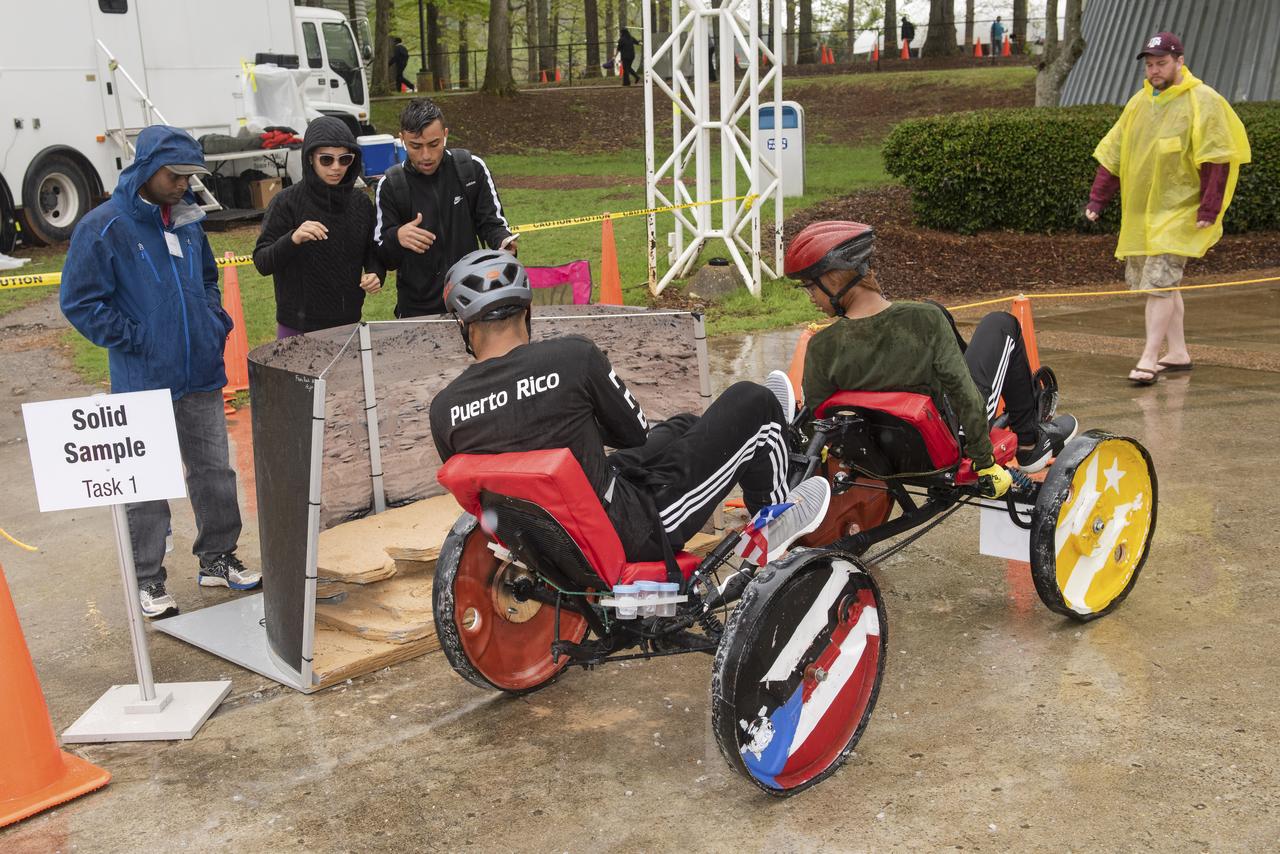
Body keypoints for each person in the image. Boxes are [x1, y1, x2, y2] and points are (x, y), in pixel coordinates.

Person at [430, 249, 831, 566]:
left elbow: (481, 495)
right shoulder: (572, 358)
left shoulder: (444, 408)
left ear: (465, 326)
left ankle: (750, 438)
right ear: (527, 311)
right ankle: (774, 522)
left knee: (680, 427)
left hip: (545, 542)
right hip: (630, 531)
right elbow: (631, 434)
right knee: (752, 400)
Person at [60, 125, 260, 619]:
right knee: (144, 483)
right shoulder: (103, 226)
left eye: (191, 174)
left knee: (216, 471)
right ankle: (147, 578)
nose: (184, 184)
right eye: (175, 174)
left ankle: (217, 557)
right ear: (148, 170)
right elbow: (79, 301)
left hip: (200, 373)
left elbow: (209, 279)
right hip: (143, 379)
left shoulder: (188, 221)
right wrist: (137, 340)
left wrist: (215, 322)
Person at [786, 221, 1079, 497]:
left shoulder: (822, 346)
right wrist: (984, 462)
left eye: (811, 287)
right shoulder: (923, 320)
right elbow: (966, 397)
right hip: (948, 442)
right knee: (1001, 323)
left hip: (876, 456)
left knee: (935, 310)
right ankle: (1030, 443)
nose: (810, 296)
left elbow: (818, 419)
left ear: (835, 278)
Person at [1084, 32, 1250, 386]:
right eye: (1149, 64)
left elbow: (1217, 157)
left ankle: (1148, 358)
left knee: (1160, 283)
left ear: (1179, 62)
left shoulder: (1202, 101)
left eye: (1161, 63)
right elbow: (1113, 153)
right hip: (1144, 215)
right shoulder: (1138, 104)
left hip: (1182, 213)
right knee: (1164, 284)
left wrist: (1209, 208)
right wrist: (1099, 199)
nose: (1154, 70)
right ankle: (1177, 352)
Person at [374, 98, 515, 318]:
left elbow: (492, 224)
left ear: (445, 134)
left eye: (434, 144)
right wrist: (397, 236)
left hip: (474, 297)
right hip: (417, 310)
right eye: (415, 146)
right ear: (401, 139)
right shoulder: (391, 185)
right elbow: (383, 256)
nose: (426, 156)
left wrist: (504, 242)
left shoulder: (471, 169)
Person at [252, 116, 385, 338]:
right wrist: (293, 238)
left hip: (348, 325)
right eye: (326, 159)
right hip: (297, 327)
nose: (336, 167)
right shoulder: (286, 202)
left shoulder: (360, 203)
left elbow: (373, 252)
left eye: (345, 159)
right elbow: (262, 261)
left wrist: (375, 273)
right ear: (310, 158)